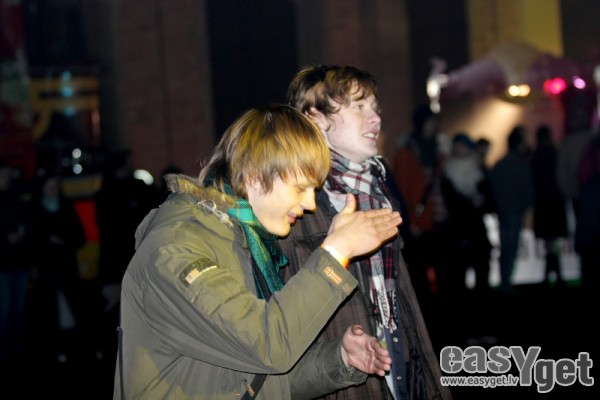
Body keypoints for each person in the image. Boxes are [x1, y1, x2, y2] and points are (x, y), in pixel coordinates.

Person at [114, 104, 402, 399]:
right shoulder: (176, 250)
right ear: (254, 175)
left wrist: (339, 359)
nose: (310, 204)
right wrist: (335, 253)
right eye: (300, 187)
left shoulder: (246, 244)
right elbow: (266, 346)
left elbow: (259, 380)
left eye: (314, 191)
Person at [281, 65, 452, 400]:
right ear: (316, 118)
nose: (375, 119)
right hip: (342, 379)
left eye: (375, 108)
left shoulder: (378, 189)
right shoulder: (292, 204)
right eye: (359, 107)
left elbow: (401, 300)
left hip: (398, 359)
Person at [439, 133, 493, 297]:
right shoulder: (448, 171)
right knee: (458, 272)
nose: (458, 150)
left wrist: (482, 200)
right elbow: (450, 200)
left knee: (481, 267)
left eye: (462, 146)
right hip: (458, 229)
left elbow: (489, 197)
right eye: (456, 146)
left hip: (477, 228)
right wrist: (471, 202)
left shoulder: (478, 169)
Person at [489, 125, 534, 295]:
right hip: (513, 212)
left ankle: (504, 282)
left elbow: (492, 187)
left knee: (505, 247)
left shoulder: (500, 164)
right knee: (510, 247)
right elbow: (527, 189)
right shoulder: (520, 164)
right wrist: (525, 204)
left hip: (504, 211)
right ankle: (506, 283)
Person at [0, 158, 34, 367]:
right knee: (4, 312)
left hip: (18, 262)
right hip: (3, 265)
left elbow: (26, 224)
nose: (5, 178)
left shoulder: (15, 198)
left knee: (17, 311)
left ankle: (15, 349)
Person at [531, 125, 568, 287]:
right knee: (552, 243)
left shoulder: (537, 156)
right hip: (553, 203)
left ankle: (551, 275)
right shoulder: (554, 153)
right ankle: (555, 274)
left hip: (545, 204)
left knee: (549, 243)